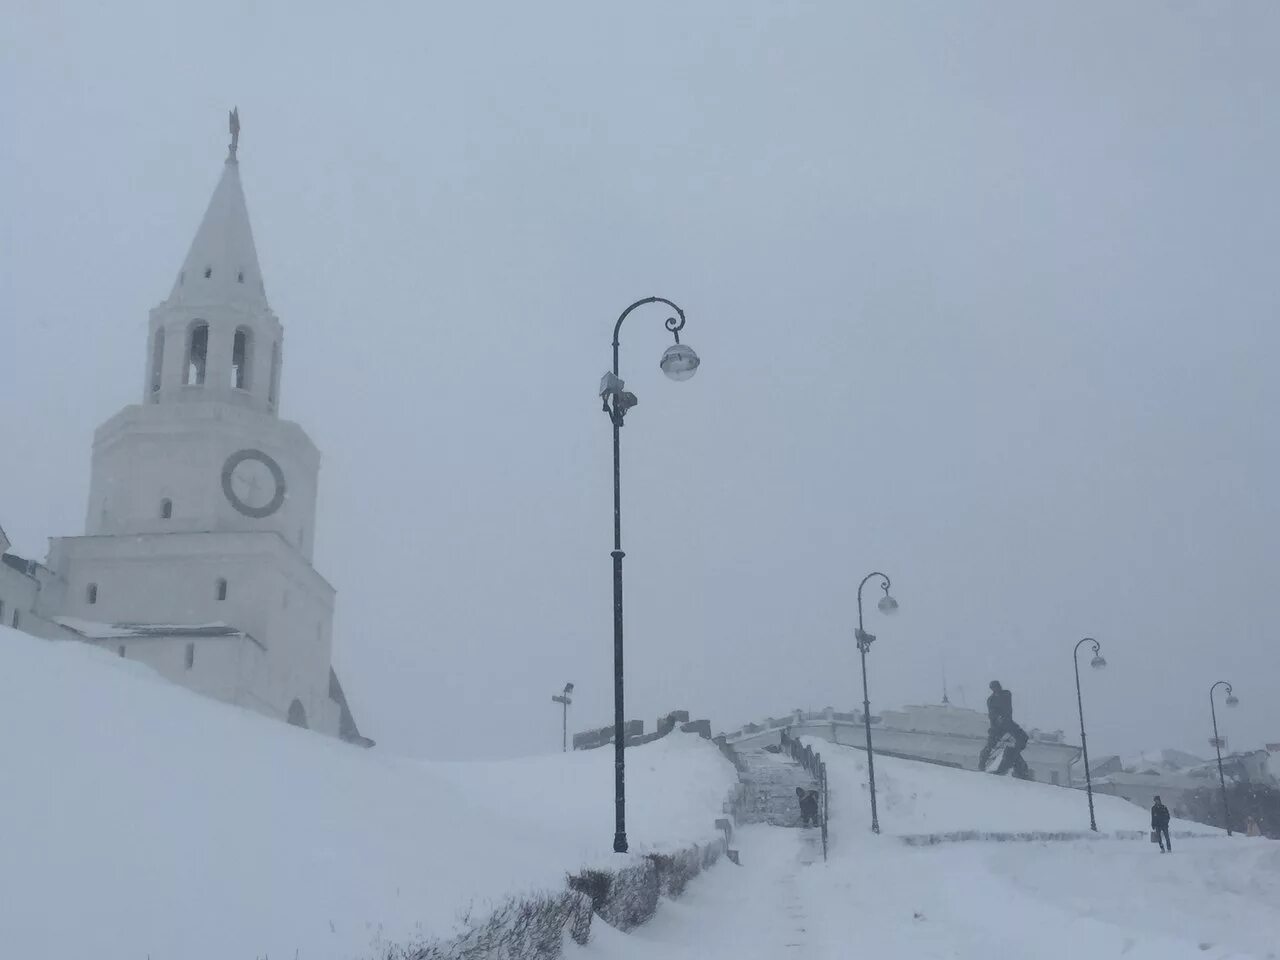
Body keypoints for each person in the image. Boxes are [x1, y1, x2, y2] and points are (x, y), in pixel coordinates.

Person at [978, 680, 1029, 771]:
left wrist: (1003, 718)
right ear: (992, 689)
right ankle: (982, 763)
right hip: (997, 726)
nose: (997, 688)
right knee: (990, 745)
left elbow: (1007, 707)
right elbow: (992, 714)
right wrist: (998, 719)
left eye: (998, 686)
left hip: (1008, 723)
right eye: (995, 687)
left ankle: (1013, 755)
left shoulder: (1006, 694)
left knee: (1023, 737)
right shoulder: (991, 700)